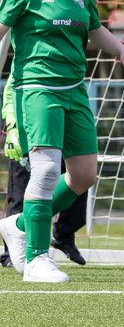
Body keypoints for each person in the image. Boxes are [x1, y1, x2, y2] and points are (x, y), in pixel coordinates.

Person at [0, 0, 124, 283]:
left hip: (74, 88)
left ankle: (18, 225)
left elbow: (94, 28)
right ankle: (36, 259)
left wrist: (120, 50)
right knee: (45, 169)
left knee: (84, 175)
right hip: (37, 89)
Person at [0, 79, 89, 268]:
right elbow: (11, 91)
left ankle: (63, 234)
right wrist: (13, 127)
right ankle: (13, 253)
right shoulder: (28, 61)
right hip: (28, 124)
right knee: (24, 187)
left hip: (57, 122)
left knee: (80, 176)